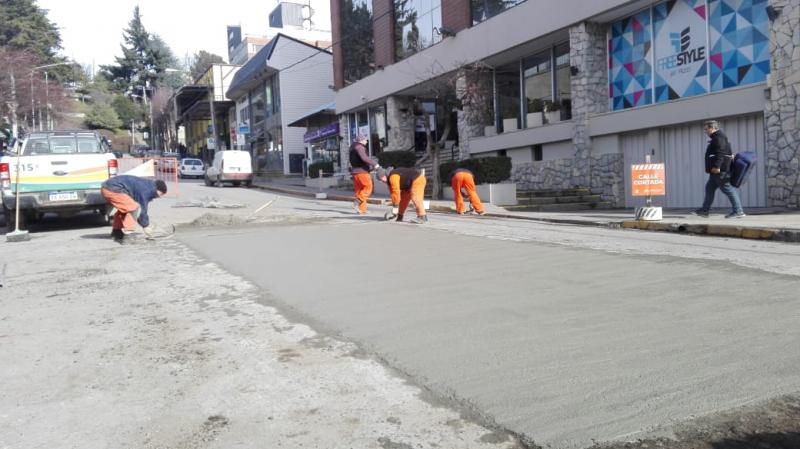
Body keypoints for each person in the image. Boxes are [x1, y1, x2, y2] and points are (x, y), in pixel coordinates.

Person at [691, 120, 745, 219]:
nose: (705, 131)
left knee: (728, 189)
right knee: (709, 188)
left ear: (712, 128)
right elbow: (728, 151)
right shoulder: (720, 137)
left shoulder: (718, 138)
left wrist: (717, 167)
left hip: (720, 170)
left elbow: (720, 153)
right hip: (716, 171)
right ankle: (704, 210)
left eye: (706, 129)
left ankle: (738, 211)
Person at [101, 175, 168, 243]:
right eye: (161, 194)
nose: (160, 197)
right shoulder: (146, 189)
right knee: (133, 208)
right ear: (157, 189)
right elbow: (142, 209)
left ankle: (116, 232)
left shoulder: (147, 186)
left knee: (125, 209)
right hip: (112, 189)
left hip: (109, 188)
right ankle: (129, 235)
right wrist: (145, 226)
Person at [349, 134, 380, 215]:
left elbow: (357, 160)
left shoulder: (352, 147)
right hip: (362, 172)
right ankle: (357, 201)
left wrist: (369, 169)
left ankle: (362, 210)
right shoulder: (360, 147)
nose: (366, 141)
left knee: (359, 190)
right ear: (361, 140)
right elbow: (364, 158)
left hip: (355, 172)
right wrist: (375, 164)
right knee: (368, 188)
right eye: (366, 140)